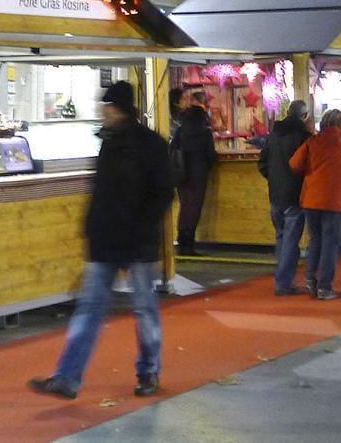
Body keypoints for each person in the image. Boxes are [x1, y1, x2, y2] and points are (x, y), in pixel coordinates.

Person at [28, 82, 173, 400]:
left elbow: (162, 193)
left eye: (106, 106)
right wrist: (93, 228)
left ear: (117, 109)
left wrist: (130, 228)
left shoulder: (145, 145)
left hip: (133, 241)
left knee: (138, 310)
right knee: (101, 309)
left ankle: (146, 371)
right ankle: (67, 377)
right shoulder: (113, 143)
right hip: (111, 239)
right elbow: (104, 192)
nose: (102, 112)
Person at [289, 109, 341, 300]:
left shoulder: (312, 142)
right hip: (335, 200)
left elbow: (295, 164)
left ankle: (310, 279)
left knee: (315, 240)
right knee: (330, 243)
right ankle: (325, 287)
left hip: (311, 199)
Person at [261, 100, 313, 295]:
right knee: (291, 240)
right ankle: (283, 282)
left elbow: (262, 163)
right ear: (304, 116)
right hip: (295, 194)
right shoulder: (304, 138)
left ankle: (282, 278)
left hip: (275, 193)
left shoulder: (273, 135)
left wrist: (274, 179)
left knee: (281, 237)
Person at [175, 104, 217, 256]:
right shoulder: (205, 133)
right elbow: (211, 155)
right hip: (198, 175)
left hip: (182, 176)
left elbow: (173, 150)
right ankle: (189, 245)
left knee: (185, 207)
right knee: (194, 209)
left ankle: (181, 242)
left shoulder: (180, 131)